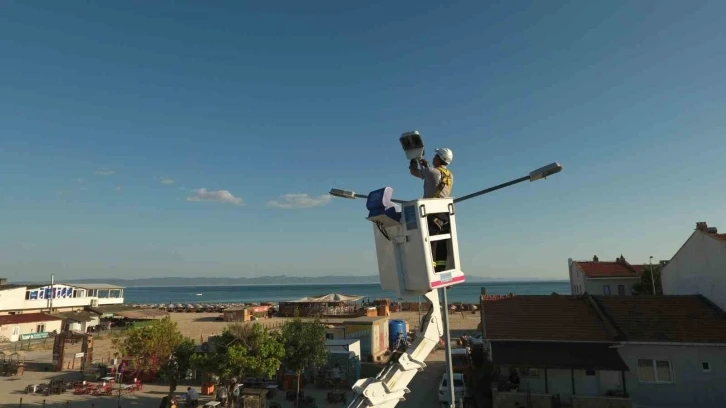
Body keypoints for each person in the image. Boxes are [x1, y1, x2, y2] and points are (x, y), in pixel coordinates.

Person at [409, 147, 454, 271]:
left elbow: (414, 172)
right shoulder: (449, 175)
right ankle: (440, 271)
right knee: (441, 246)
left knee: (429, 245)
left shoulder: (432, 172)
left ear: (440, 159)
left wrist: (413, 158)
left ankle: (430, 271)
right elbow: (435, 179)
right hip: (445, 215)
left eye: (436, 156)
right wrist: (426, 164)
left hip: (432, 213)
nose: (434, 158)